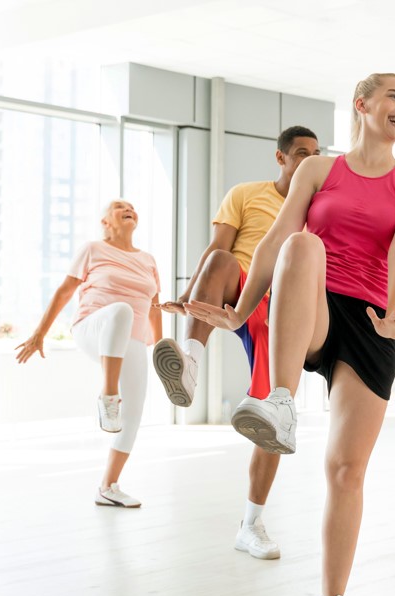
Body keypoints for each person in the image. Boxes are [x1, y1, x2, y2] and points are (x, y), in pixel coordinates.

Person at [186, 73, 395, 596]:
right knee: (302, 244)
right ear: (362, 104)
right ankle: (281, 402)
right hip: (315, 307)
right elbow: (273, 240)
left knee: (346, 471)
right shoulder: (319, 169)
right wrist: (241, 311)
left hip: (373, 322)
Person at [152, 126, 319, 560]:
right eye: (302, 153)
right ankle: (189, 363)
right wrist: (190, 299)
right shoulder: (246, 194)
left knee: (271, 416)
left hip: (280, 309)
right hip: (238, 285)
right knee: (223, 259)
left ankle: (251, 523)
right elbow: (215, 250)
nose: (310, 160)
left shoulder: (318, 209)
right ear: (280, 158)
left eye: (317, 154)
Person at [16, 200, 161, 508]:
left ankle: (108, 487)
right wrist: (40, 334)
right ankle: (109, 396)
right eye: (118, 206)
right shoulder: (93, 249)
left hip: (131, 339)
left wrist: (160, 349)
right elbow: (64, 291)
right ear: (105, 222)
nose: (128, 208)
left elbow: (154, 307)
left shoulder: (148, 260)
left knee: (134, 413)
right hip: (92, 327)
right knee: (120, 310)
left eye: (132, 206)